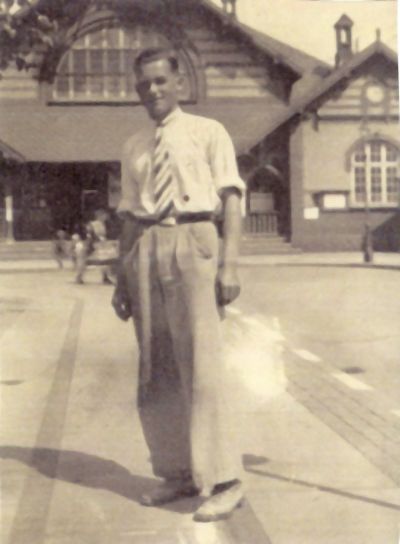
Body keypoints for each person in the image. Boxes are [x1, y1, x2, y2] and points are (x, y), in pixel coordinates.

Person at [112, 47, 245, 522]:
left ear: (179, 83)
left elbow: (232, 199)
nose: (151, 90)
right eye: (143, 84)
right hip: (146, 246)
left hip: (195, 238)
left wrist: (229, 264)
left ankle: (226, 479)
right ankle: (178, 471)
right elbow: (129, 215)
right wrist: (122, 278)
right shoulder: (133, 146)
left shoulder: (209, 132)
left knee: (202, 365)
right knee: (157, 366)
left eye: (160, 81)